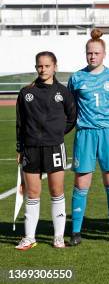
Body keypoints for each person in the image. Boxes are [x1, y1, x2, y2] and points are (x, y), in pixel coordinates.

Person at [15, 52, 76, 250]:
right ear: (36, 68)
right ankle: (29, 237)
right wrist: (20, 148)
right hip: (31, 148)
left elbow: (71, 118)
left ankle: (58, 237)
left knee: (56, 191)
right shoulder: (26, 93)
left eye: (47, 66)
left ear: (54, 67)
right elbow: (20, 123)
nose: (43, 69)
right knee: (32, 193)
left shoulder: (63, 92)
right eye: (40, 66)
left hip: (54, 147)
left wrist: (56, 133)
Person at [68, 29, 109, 246]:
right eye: (89, 53)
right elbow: (70, 107)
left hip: (108, 133)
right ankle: (75, 232)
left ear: (104, 54)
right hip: (85, 135)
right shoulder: (76, 78)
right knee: (82, 183)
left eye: (96, 53)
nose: (92, 56)